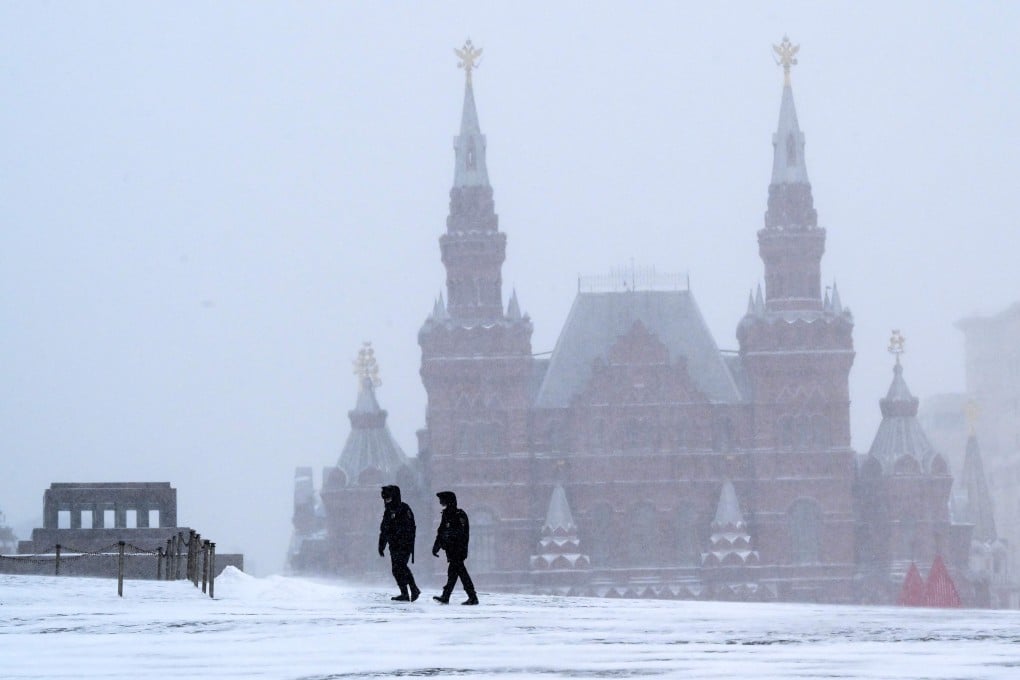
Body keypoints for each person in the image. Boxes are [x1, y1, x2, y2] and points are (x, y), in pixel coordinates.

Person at [431, 490, 478, 605]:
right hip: (451, 550)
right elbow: (441, 531)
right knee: (453, 573)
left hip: (458, 550)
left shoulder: (459, 515)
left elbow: (461, 534)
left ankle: (472, 597)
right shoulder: (446, 514)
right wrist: (437, 545)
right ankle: (447, 596)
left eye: (442, 499)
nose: (440, 502)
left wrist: (449, 540)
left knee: (461, 572)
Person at [378, 485, 420, 602]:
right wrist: (381, 545)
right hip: (394, 545)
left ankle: (414, 589)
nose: (386, 501)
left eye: (389, 498)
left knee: (401, 566)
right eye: (385, 499)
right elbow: (384, 529)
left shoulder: (404, 509)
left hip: (404, 544)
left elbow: (410, 527)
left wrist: (402, 538)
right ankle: (405, 593)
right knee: (396, 569)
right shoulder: (388, 512)